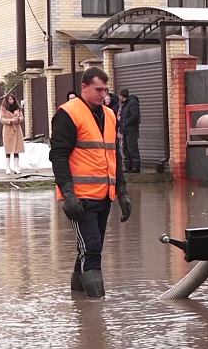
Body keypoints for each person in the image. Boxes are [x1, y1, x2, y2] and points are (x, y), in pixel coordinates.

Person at [49, 67, 132, 298]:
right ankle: (96, 308)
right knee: (92, 249)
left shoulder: (109, 114)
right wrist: (68, 194)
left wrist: (122, 193)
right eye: (98, 89)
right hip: (80, 198)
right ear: (84, 87)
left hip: (104, 196)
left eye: (105, 90)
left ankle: (79, 303)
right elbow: (58, 156)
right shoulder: (68, 113)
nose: (103, 94)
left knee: (87, 250)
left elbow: (114, 155)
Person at [0, 94, 25, 175]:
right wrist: (10, 120)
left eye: (12, 99)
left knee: (17, 149)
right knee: (8, 149)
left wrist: (18, 119)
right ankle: (7, 168)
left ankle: (16, 167)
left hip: (17, 130)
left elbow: (22, 117)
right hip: (8, 130)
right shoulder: (3, 109)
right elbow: (1, 119)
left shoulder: (17, 108)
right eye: (10, 99)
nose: (11, 101)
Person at [118, 89, 141, 173]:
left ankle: (136, 167)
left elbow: (134, 116)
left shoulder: (132, 103)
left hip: (131, 130)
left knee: (132, 148)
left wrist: (126, 124)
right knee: (125, 149)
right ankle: (128, 167)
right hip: (125, 130)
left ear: (121, 96)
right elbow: (122, 118)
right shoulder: (125, 105)